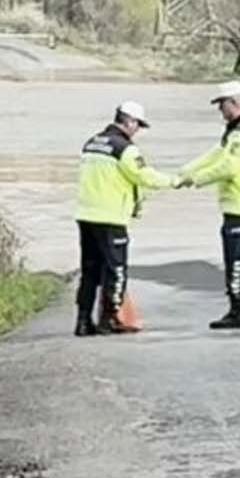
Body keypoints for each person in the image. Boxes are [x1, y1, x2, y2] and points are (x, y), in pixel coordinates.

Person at [73, 100, 175, 336]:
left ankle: (83, 321)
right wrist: (175, 180)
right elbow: (144, 177)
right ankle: (109, 319)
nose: (137, 130)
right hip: (111, 218)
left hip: (86, 216)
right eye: (137, 125)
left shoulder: (92, 143)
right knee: (115, 270)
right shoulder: (125, 149)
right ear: (128, 121)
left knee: (89, 271)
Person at [176, 80, 240, 330]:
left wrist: (196, 179)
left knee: (237, 262)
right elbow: (216, 154)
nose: (220, 111)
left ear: (234, 103)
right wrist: (187, 170)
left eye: (222, 105)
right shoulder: (238, 130)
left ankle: (239, 311)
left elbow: (230, 166)